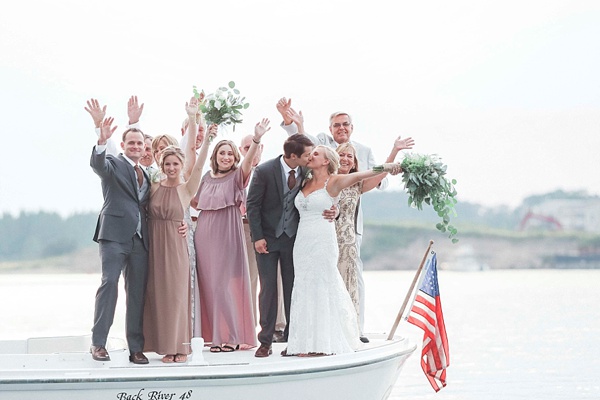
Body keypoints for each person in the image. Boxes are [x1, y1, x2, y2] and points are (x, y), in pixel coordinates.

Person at [277, 99, 385, 342]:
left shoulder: (360, 155)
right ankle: (303, 335)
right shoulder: (313, 162)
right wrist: (296, 123)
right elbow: (304, 145)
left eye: (345, 124)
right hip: (305, 238)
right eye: (336, 125)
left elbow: (371, 178)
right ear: (330, 128)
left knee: (346, 279)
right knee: (306, 284)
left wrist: (389, 164)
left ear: (352, 127)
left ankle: (351, 330)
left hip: (343, 231)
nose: (341, 128)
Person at [284, 146, 400, 356]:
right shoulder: (304, 180)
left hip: (323, 240)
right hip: (302, 243)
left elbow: (362, 175)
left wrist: (386, 166)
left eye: (316, 154)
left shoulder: (335, 181)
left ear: (326, 161)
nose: (311, 156)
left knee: (322, 285)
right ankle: (303, 343)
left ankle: (323, 343)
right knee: (303, 286)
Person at [192, 119, 270, 353]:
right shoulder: (206, 177)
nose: (225, 157)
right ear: (215, 156)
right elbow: (194, 200)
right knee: (208, 285)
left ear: (235, 157)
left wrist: (256, 139)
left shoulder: (238, 176)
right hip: (204, 233)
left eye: (229, 153)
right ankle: (214, 337)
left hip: (228, 233)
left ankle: (233, 336)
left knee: (225, 285)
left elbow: (248, 163)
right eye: (222, 153)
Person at [142, 98, 208, 363]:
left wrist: (195, 122)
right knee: (158, 296)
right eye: (167, 164)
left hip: (176, 247)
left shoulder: (186, 189)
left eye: (175, 164)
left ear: (181, 166)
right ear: (162, 165)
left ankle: (181, 348)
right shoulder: (154, 186)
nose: (171, 168)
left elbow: (198, 163)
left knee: (177, 296)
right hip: (154, 247)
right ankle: (163, 346)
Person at [246, 133, 315, 358]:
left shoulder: (308, 171)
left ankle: (293, 340)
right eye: (307, 154)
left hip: (294, 239)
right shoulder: (264, 171)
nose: (311, 157)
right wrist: (257, 237)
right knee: (268, 290)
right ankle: (265, 341)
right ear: (293, 156)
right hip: (266, 238)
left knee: (293, 289)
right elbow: (252, 205)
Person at [89, 115, 151, 365]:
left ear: (144, 148)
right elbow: (98, 166)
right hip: (114, 235)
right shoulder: (113, 164)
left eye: (139, 143)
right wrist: (102, 142)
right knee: (109, 283)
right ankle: (98, 343)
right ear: (123, 145)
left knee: (136, 294)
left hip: (140, 241)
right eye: (131, 143)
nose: (136, 146)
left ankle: (136, 348)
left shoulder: (146, 173)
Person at [335, 137, 414, 325]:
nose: (345, 159)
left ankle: (350, 328)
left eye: (350, 156)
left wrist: (394, 151)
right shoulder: (323, 180)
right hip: (325, 238)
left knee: (348, 285)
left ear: (355, 162)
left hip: (347, 243)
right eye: (341, 155)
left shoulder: (357, 183)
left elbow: (379, 173)